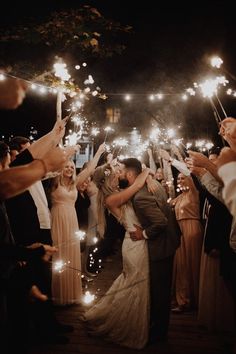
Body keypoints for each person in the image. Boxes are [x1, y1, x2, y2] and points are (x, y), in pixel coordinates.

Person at [80, 163, 152, 349]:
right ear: (107, 181)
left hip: (136, 242)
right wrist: (147, 171)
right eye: (114, 174)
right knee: (136, 284)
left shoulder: (118, 193)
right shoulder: (111, 199)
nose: (117, 175)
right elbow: (136, 185)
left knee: (132, 281)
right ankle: (129, 327)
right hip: (134, 245)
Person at [119, 158, 180, 343]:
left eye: (121, 171)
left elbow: (160, 222)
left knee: (160, 292)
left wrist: (144, 234)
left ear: (130, 174)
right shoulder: (150, 186)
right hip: (168, 243)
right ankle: (158, 326)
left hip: (160, 247)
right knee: (161, 290)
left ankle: (159, 333)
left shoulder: (140, 197)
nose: (119, 174)